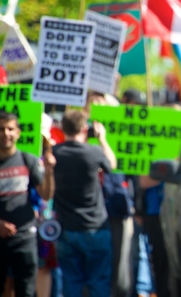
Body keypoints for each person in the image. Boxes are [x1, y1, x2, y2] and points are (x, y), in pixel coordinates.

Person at [0, 111, 56, 297]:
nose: (6, 133)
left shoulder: (28, 160)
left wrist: (50, 172)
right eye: (1, 129)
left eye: (11, 129)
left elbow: (46, 194)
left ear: (18, 132)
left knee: (26, 291)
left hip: (24, 239)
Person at [52, 109, 117, 297]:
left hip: (67, 228)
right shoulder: (93, 152)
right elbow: (111, 165)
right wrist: (102, 139)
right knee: (99, 283)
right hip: (96, 227)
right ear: (84, 128)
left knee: (71, 284)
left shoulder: (54, 153)